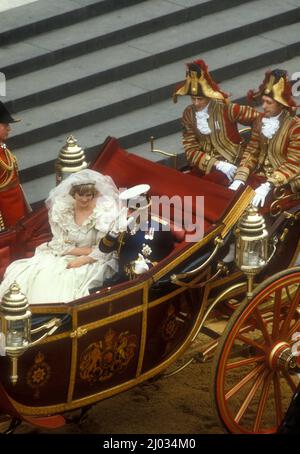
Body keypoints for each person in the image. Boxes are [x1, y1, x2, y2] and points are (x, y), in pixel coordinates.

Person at [0, 169, 120, 304]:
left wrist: (83, 259)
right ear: (73, 194)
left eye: (89, 195)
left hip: (93, 260)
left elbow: (103, 249)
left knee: (65, 283)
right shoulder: (63, 208)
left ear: (94, 194)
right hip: (63, 253)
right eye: (81, 195)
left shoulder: (103, 211)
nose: (85, 199)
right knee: (33, 274)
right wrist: (80, 251)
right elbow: (59, 243)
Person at [173, 60, 259, 184]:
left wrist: (254, 146)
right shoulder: (188, 114)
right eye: (193, 99)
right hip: (206, 164)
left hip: (233, 163)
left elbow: (259, 119)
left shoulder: (226, 109)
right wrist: (216, 164)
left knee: (208, 185)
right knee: (183, 183)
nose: (196, 103)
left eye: (200, 99)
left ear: (209, 96)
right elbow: (190, 148)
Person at [230, 69, 300, 208]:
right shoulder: (260, 120)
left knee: (256, 210)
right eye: (263, 101)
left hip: (284, 181)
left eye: (269, 102)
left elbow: (293, 164)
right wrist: (240, 177)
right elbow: (252, 151)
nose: (263, 106)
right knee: (232, 198)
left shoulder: (295, 127)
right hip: (259, 175)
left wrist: (268, 185)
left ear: (281, 104)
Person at [99, 184, 174, 283]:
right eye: (129, 209)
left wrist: (148, 267)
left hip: (146, 282)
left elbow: (168, 259)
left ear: (148, 206)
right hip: (120, 279)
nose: (130, 213)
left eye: (134, 210)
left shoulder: (160, 228)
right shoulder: (123, 225)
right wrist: (113, 233)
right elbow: (104, 249)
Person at [0, 101, 29, 229]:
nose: (9, 128)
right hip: (4, 207)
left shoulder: (3, 147)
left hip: (16, 198)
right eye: (5, 125)